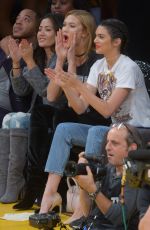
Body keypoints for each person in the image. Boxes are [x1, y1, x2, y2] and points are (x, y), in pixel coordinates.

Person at [39, 18, 150, 218]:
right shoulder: (98, 66)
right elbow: (80, 107)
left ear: (116, 42)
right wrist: (64, 83)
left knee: (97, 131)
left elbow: (107, 110)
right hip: (118, 131)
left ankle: (84, 206)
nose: (95, 40)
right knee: (64, 128)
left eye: (101, 36)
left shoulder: (128, 67)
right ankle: (50, 195)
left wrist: (77, 85)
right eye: (96, 36)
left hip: (140, 131)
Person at [13, 10, 110, 211]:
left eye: (72, 26)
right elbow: (50, 96)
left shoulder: (96, 61)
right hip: (73, 113)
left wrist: (70, 61)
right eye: (64, 25)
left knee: (62, 115)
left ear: (85, 33)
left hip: (94, 117)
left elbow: (81, 107)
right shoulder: (63, 56)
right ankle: (36, 184)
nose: (65, 29)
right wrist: (60, 60)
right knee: (41, 112)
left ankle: (62, 190)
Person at [0, 8, 41, 201]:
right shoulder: (9, 47)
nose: (18, 23)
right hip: (12, 111)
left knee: (12, 118)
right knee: (9, 118)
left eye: (26, 20)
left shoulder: (39, 54)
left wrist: (13, 59)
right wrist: (13, 59)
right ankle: (5, 182)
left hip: (26, 112)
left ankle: (14, 181)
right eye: (16, 19)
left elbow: (21, 97)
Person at [72, 123, 141, 229]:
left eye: (114, 143)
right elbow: (88, 212)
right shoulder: (108, 169)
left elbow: (120, 217)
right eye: (107, 142)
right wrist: (83, 186)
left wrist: (93, 189)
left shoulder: (137, 175)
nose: (107, 147)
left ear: (132, 149)